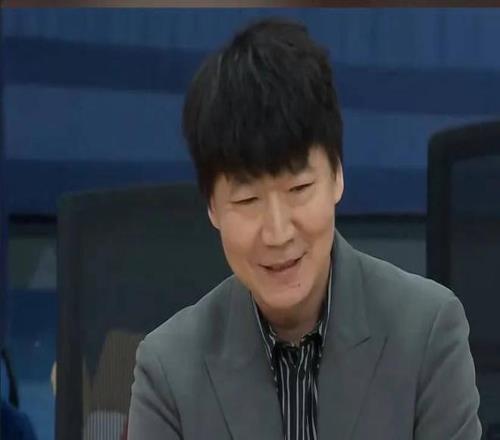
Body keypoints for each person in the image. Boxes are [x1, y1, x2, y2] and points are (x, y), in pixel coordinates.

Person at [128, 18, 481, 440]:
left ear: (337, 176)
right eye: (247, 200)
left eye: (298, 189)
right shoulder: (167, 370)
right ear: (212, 208)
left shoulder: (428, 333)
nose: (278, 233)